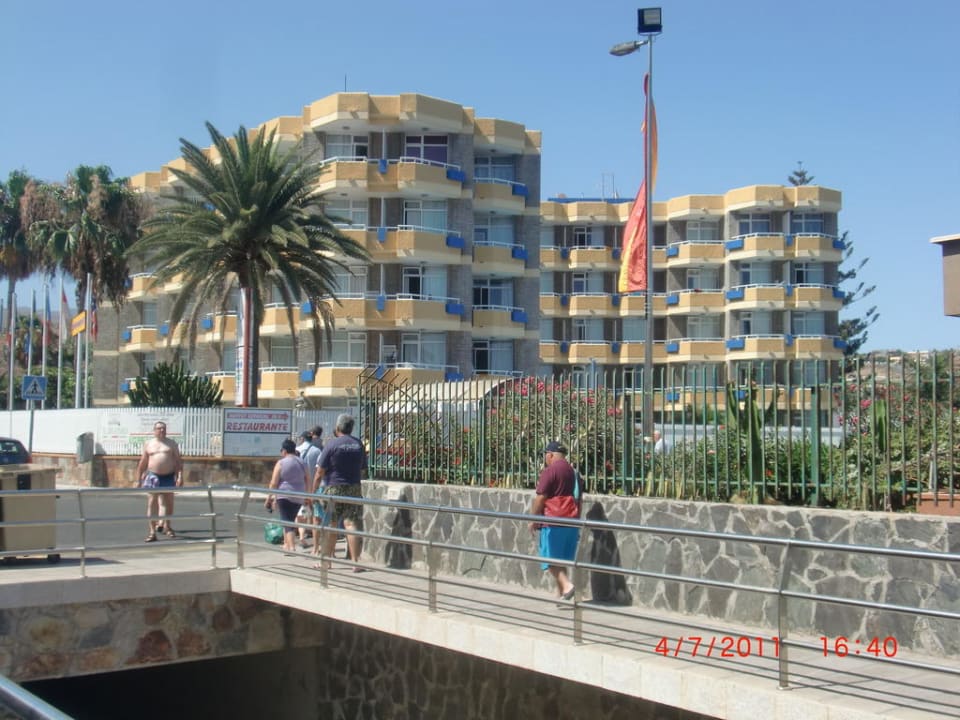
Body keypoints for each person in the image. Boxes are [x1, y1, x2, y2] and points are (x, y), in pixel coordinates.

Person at [314, 414, 367, 571]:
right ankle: (355, 562)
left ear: (338, 428)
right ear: (351, 428)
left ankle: (326, 562)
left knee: (331, 524)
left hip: (334, 489)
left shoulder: (332, 445)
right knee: (351, 524)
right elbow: (363, 469)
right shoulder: (358, 444)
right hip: (354, 488)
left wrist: (312, 492)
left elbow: (320, 472)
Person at [529, 440, 580, 602]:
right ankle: (561, 595)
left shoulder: (550, 471)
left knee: (549, 558)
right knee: (560, 559)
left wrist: (533, 519)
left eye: (546, 455)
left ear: (550, 455)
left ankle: (567, 586)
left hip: (553, 520)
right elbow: (578, 496)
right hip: (570, 519)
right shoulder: (572, 471)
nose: (545, 458)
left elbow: (540, 497)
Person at [137, 421, 183, 542]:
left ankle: (168, 526)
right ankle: (152, 532)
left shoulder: (171, 443)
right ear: (154, 430)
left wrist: (180, 476)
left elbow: (178, 461)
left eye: (163, 428)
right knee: (152, 503)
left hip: (168, 476)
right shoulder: (149, 444)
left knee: (169, 502)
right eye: (159, 428)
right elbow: (143, 461)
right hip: (153, 476)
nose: (161, 430)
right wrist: (139, 478)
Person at [264, 438, 308, 553]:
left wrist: (269, 498)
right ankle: (287, 545)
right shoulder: (302, 462)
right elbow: (308, 479)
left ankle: (291, 547)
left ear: (284, 451)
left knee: (286, 521)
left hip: (284, 495)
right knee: (290, 520)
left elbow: (273, 483)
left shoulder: (281, 463)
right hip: (299, 495)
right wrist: (308, 495)